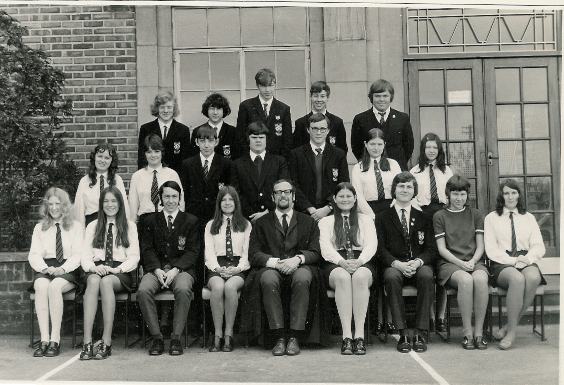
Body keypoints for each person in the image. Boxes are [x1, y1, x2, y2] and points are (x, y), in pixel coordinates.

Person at [245, 179, 321, 356]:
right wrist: (276, 263)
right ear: (273, 197)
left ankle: (294, 337)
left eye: (287, 192)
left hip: (299, 267)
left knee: (303, 278)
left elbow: (316, 252)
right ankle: (278, 337)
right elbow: (254, 254)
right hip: (272, 268)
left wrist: (297, 259)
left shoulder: (308, 222)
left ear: (293, 196)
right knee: (267, 278)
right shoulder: (261, 223)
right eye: (279, 192)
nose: (283, 195)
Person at [137, 181, 200, 356]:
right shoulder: (150, 220)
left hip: (181, 270)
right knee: (143, 290)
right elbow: (147, 248)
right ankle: (157, 337)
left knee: (182, 288)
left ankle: (176, 338)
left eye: (174, 196)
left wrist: (176, 269)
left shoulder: (191, 220)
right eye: (167, 196)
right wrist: (156, 269)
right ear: (160, 199)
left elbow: (193, 251)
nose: (170, 200)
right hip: (156, 269)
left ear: (179, 198)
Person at [376, 172, 436, 353]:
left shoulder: (424, 217)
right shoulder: (382, 217)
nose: (405, 190)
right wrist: (397, 264)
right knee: (392, 277)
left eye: (409, 186)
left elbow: (431, 249)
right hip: (394, 266)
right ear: (394, 189)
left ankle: (419, 332)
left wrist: (418, 262)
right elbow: (379, 249)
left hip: (417, 265)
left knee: (427, 274)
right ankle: (401, 332)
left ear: (414, 191)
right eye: (401, 186)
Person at [484, 179, 546, 350]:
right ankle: (512, 333)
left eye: (513, 192)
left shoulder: (528, 217)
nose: (510, 197)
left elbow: (538, 246)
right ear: (501, 196)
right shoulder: (491, 218)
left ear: (519, 195)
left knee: (533, 277)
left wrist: (529, 259)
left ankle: (508, 327)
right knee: (517, 279)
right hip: (502, 262)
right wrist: (513, 261)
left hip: (525, 259)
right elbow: (491, 250)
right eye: (506, 193)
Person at [80, 187, 140, 360]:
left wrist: (117, 269)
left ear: (120, 203)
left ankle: (106, 341)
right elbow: (85, 255)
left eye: (114, 201)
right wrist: (93, 267)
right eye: (106, 201)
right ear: (101, 204)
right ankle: (87, 341)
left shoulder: (130, 226)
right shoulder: (93, 226)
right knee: (93, 281)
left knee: (106, 282)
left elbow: (134, 257)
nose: (110, 204)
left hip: (119, 271)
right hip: (97, 268)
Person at [318, 182, 377, 355]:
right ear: (334, 199)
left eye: (349, 196)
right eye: (341, 196)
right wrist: (341, 262)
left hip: (362, 259)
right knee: (343, 278)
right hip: (336, 261)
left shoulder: (366, 219)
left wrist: (360, 261)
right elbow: (325, 247)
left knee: (360, 277)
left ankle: (359, 336)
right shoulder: (325, 221)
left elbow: (372, 244)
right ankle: (346, 337)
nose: (345, 199)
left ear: (355, 198)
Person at [433, 175, 488, 350]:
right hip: (449, 264)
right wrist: (461, 263)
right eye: (455, 194)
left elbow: (480, 246)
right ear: (448, 195)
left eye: (463, 194)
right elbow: (442, 249)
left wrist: (472, 261)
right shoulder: (440, 216)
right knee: (465, 280)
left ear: (467, 195)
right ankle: (467, 334)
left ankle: (479, 333)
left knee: (480, 279)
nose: (459, 198)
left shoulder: (476, 214)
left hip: (473, 260)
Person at [28, 187, 83, 357]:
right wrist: (45, 268)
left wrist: (62, 269)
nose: (53, 208)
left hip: (68, 268)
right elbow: (34, 254)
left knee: (55, 287)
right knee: (41, 285)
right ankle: (44, 340)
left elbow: (78, 255)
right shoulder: (40, 228)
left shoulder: (75, 227)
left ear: (65, 205)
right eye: (50, 204)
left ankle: (55, 340)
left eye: (57, 203)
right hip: (46, 267)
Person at [410, 132, 454, 332]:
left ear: (439, 150)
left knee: (442, 266)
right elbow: (410, 198)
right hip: (423, 216)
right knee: (428, 264)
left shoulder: (447, 172)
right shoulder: (415, 171)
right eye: (428, 147)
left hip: (443, 215)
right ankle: (429, 316)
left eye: (435, 148)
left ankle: (442, 316)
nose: (431, 151)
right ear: (423, 149)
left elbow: (452, 196)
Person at [204, 186, 251, 352]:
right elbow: (209, 253)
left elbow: (246, 254)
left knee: (230, 287)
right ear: (219, 203)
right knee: (218, 286)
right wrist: (218, 268)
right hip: (216, 266)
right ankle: (217, 335)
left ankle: (229, 334)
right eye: (223, 199)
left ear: (236, 202)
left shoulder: (245, 224)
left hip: (238, 267)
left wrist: (237, 269)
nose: (227, 203)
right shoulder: (211, 225)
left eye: (231, 199)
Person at [289, 113, 349, 222]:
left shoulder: (338, 154)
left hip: (331, 212)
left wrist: (328, 207)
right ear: (308, 130)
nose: (318, 132)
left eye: (322, 128)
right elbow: (293, 184)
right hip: (304, 212)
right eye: (314, 128)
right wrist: (310, 209)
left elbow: (343, 184)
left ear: (328, 130)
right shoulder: (296, 154)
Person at [351, 79, 414, 170]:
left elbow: (409, 147)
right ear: (371, 97)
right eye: (377, 96)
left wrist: (397, 164)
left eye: (385, 96)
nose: (381, 99)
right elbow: (356, 147)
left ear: (391, 97)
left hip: (396, 170)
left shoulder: (402, 118)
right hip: (370, 169)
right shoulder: (360, 119)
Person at [232, 121, 288, 221]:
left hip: (273, 216)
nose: (258, 140)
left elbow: (283, 189)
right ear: (248, 139)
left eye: (261, 137)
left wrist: (268, 211)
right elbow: (236, 193)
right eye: (254, 137)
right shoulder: (237, 164)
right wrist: (250, 214)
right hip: (246, 218)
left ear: (267, 139)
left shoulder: (279, 162)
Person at [181, 125, 234, 224]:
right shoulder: (187, 164)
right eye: (202, 141)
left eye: (210, 141)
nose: (206, 145)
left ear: (216, 142)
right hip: (193, 216)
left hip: (217, 215)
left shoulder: (226, 164)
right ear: (196, 142)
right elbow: (185, 192)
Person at [236, 68, 292, 159]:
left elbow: (287, 140)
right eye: (263, 86)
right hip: (252, 159)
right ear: (257, 86)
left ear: (275, 85)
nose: (267, 90)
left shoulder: (283, 108)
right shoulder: (246, 106)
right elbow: (240, 137)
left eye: (270, 85)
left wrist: (281, 161)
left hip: (276, 160)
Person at [130, 134, 185, 227]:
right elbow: (132, 206)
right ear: (144, 154)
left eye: (156, 151)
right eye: (149, 152)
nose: (153, 155)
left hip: (167, 221)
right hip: (145, 222)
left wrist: (177, 224)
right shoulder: (137, 176)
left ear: (162, 152)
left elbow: (180, 202)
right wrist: (132, 227)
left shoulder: (172, 174)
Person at [74, 143, 129, 227]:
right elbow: (79, 211)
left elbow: (124, 207)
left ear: (111, 161)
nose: (103, 160)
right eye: (100, 156)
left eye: (107, 158)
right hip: (91, 224)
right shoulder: (84, 181)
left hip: (113, 225)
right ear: (94, 157)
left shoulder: (117, 180)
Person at [351, 128, 402, 219]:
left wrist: (393, 209)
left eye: (379, 144)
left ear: (384, 145)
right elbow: (358, 195)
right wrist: (371, 215)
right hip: (368, 209)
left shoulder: (393, 164)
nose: (376, 148)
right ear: (366, 144)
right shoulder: (358, 168)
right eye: (372, 144)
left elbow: (400, 187)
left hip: (391, 207)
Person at [137, 91, 191, 173]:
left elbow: (185, 160)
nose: (166, 111)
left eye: (169, 107)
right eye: (162, 107)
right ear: (157, 109)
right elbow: (142, 158)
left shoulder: (183, 130)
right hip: (152, 175)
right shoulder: (146, 129)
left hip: (175, 178)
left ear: (174, 109)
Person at [292, 81, 347, 153]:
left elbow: (342, 150)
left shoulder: (337, 122)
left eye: (322, 96)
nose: (319, 100)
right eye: (315, 96)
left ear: (328, 97)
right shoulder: (301, 123)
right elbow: (296, 151)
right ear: (310, 97)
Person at [188, 93, 240, 160]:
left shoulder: (233, 131)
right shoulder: (197, 131)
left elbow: (237, 158)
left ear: (224, 110)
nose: (215, 112)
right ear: (207, 110)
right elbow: (194, 158)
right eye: (212, 108)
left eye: (218, 109)